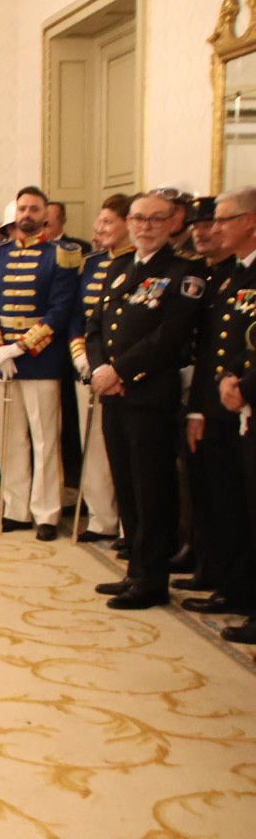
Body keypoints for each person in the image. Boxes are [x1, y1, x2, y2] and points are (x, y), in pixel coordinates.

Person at [86, 191, 205, 609]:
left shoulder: (184, 272)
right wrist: (101, 369)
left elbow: (170, 336)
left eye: (155, 219)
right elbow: (97, 325)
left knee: (152, 488)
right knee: (127, 485)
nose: (145, 226)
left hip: (148, 393)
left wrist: (121, 372)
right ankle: (135, 569)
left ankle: (153, 579)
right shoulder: (119, 267)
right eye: (138, 218)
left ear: (172, 222)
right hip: (113, 393)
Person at [0, 186, 82, 540]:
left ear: (44, 215)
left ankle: (47, 512)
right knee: (10, 440)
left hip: (41, 359)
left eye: (34, 209)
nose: (27, 215)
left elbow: (59, 311)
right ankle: (16, 508)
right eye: (22, 208)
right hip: (1, 360)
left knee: (45, 439)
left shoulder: (61, 256)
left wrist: (19, 347)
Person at [180, 197, 245, 612]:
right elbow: (208, 349)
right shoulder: (220, 275)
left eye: (219, 222)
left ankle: (234, 582)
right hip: (212, 398)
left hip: (237, 401)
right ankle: (213, 566)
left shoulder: (237, 275)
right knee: (210, 490)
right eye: (204, 224)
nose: (209, 230)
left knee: (233, 498)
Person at [201, 189, 256, 643]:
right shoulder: (233, 273)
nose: (215, 228)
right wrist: (228, 379)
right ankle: (236, 587)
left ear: (251, 221)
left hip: (246, 399)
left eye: (225, 219)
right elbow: (228, 341)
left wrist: (243, 384)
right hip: (229, 400)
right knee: (233, 501)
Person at [66, 194, 134, 543]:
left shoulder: (139, 263)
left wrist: (112, 367)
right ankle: (100, 517)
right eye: (99, 221)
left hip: (124, 374)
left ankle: (128, 525)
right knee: (91, 444)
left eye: (108, 222)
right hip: (89, 367)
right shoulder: (90, 264)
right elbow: (79, 316)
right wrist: (82, 358)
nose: (99, 228)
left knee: (122, 451)